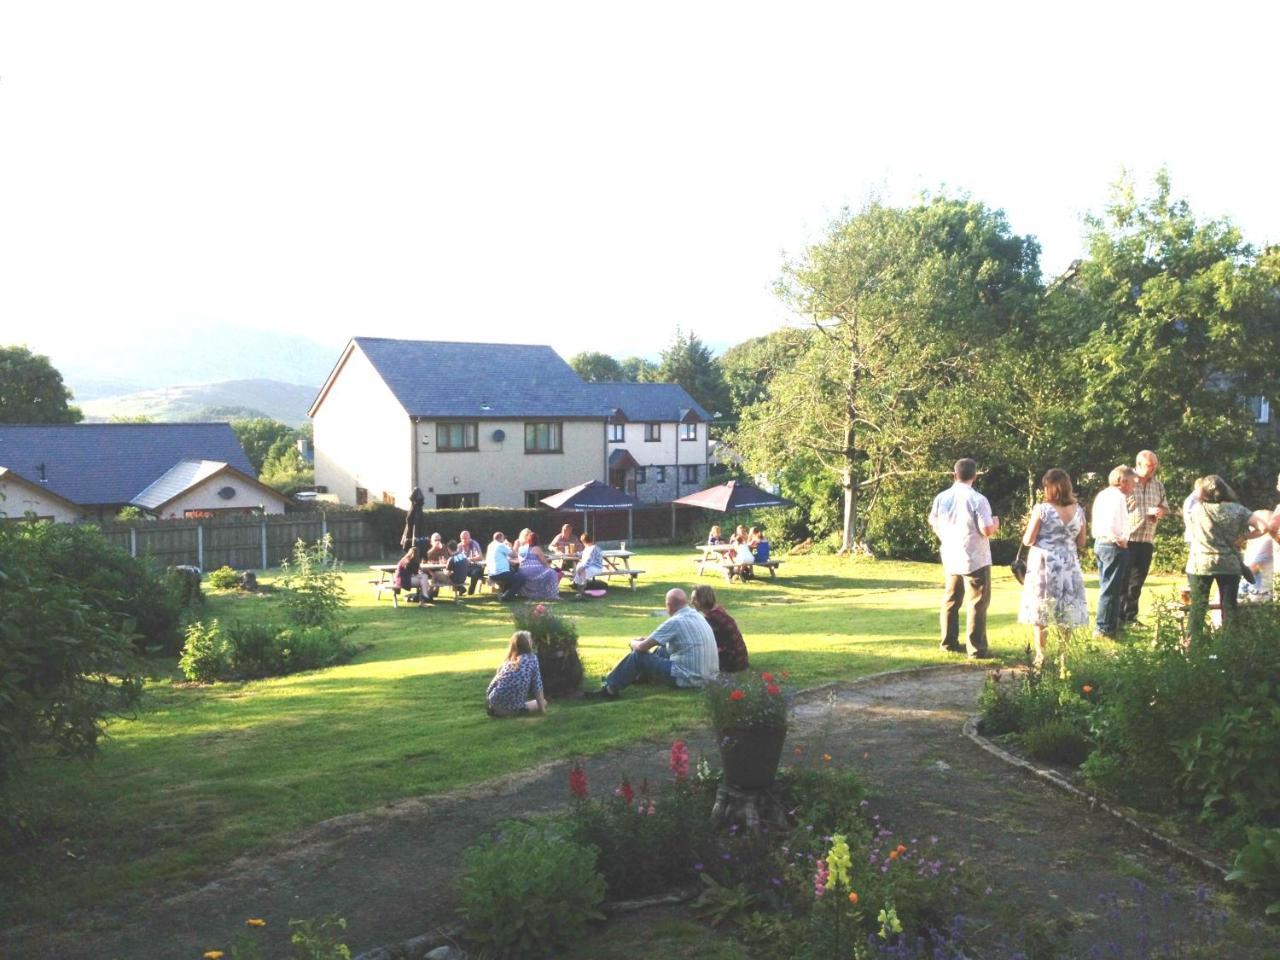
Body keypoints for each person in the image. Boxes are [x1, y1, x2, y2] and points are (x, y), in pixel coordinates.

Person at [588, 588, 718, 700]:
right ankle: (640, 677)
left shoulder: (675, 621)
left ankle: (610, 689)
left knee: (638, 657)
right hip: (708, 676)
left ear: (669, 605)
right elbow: (662, 640)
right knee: (661, 650)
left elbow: (642, 647)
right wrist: (647, 640)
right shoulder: (697, 616)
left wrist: (633, 642)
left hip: (690, 678)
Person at [927, 458, 998, 659]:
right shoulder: (978, 499)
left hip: (951, 554)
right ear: (974, 476)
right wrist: (995, 524)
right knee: (977, 601)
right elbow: (985, 529)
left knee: (951, 599)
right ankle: (976, 648)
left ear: (954, 474)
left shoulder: (942, 497)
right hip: (974, 556)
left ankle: (948, 642)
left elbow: (933, 521)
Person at [1017, 469, 1089, 668]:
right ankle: (1063, 655)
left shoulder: (1042, 509)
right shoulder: (1079, 510)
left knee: (1042, 608)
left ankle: (1041, 656)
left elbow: (1028, 539)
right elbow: (1082, 541)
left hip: (1044, 563)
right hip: (1068, 564)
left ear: (1049, 487)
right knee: (1066, 608)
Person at [1184, 475, 1268, 635]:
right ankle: (1229, 648)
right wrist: (1244, 537)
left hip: (1200, 563)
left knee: (1198, 608)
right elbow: (1263, 527)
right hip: (1229, 564)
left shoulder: (1196, 510)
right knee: (1229, 607)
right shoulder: (1238, 510)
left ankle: (1194, 648)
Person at [1121, 450, 1171, 628]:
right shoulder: (1126, 481)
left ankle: (1131, 617)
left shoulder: (1157, 485)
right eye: (1151, 466)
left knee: (1137, 581)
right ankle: (1119, 618)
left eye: (1155, 466)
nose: (1154, 469)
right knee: (1123, 581)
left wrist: (1161, 512)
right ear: (1139, 464)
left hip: (1147, 539)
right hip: (1127, 538)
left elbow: (1165, 507)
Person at [1091, 465, 1138, 638]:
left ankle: (1109, 625)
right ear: (1123, 481)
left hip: (1101, 543)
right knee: (1111, 589)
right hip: (1112, 546)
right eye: (1133, 483)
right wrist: (1119, 539)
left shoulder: (1103, 494)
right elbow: (1111, 522)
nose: (1134, 487)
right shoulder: (1117, 497)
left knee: (1108, 586)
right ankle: (1104, 627)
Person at [485, 631, 546, 717]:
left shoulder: (508, 662)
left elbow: (491, 686)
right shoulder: (532, 659)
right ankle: (514, 711)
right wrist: (542, 710)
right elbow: (537, 685)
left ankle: (497, 711)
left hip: (494, 703)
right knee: (543, 702)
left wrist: (489, 701)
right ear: (529, 644)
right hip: (512, 709)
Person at [690, 584, 749, 673]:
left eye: (694, 599)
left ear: (702, 599)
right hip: (740, 659)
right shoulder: (717, 612)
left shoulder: (712, 618)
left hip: (732, 662)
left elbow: (706, 644)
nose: (691, 602)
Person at [513, 531, 562, 600]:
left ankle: (532, 593)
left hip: (522, 570)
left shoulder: (522, 549)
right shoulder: (536, 548)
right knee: (552, 573)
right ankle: (551, 594)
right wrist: (550, 568)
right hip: (535, 570)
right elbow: (544, 562)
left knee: (548, 572)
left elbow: (520, 560)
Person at [1239, 509, 1274, 602]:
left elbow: (1254, 568)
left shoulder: (1267, 542)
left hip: (1259, 592)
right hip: (1254, 589)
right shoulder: (1257, 543)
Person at [484, 532, 519, 601]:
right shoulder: (500, 545)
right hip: (500, 573)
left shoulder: (490, 545)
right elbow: (513, 555)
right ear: (501, 538)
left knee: (512, 572)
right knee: (521, 578)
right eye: (503, 538)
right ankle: (507, 596)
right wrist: (510, 546)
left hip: (491, 573)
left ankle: (505, 593)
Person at [456, 529, 484, 594]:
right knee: (456, 572)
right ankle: (461, 589)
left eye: (465, 538)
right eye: (462, 538)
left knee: (475, 573)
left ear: (469, 538)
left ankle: (471, 591)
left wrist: (469, 559)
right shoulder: (459, 546)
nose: (464, 540)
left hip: (476, 566)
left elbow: (480, 557)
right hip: (466, 566)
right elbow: (455, 558)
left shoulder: (474, 544)